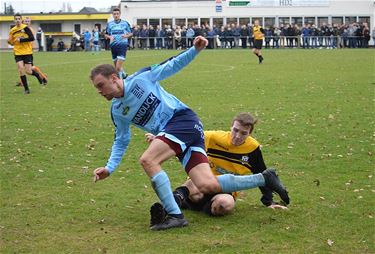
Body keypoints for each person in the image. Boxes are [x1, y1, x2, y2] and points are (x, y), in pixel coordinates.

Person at [90, 36, 289, 231]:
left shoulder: (141, 79)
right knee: (207, 184)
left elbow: (171, 65)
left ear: (115, 78)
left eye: (101, 85)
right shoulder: (117, 111)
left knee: (148, 160)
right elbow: (121, 139)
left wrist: (195, 50)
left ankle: (175, 215)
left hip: (182, 120)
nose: (99, 91)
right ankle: (265, 178)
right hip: (180, 133)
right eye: (96, 88)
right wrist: (109, 168)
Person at [147, 112, 288, 221]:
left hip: (226, 191)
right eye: (235, 130)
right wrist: (160, 138)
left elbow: (261, 174)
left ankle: (190, 204)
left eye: (243, 133)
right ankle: (169, 206)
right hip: (202, 183)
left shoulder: (252, 148)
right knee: (195, 184)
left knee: (225, 205)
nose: (237, 136)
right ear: (231, 126)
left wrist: (268, 201)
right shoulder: (213, 137)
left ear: (250, 134)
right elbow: (186, 136)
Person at [8, 13, 47, 94]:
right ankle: (26, 89)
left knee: (28, 71)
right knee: (20, 69)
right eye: (16, 19)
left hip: (27, 52)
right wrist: (10, 42)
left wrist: (21, 40)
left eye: (19, 19)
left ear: (21, 20)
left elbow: (32, 38)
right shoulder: (12, 30)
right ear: (14, 20)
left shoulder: (25, 28)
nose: (17, 20)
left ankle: (38, 76)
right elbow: (11, 41)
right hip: (18, 52)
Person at [105, 7, 133, 78]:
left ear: (120, 14)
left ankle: (121, 82)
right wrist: (110, 37)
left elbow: (131, 33)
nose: (116, 15)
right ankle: (124, 75)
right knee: (117, 66)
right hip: (113, 46)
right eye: (114, 14)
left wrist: (126, 36)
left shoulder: (125, 23)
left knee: (117, 68)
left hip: (122, 45)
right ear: (112, 15)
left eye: (117, 14)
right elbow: (106, 34)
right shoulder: (110, 24)